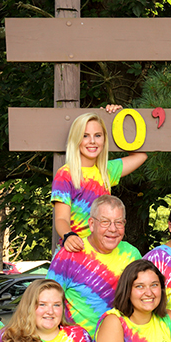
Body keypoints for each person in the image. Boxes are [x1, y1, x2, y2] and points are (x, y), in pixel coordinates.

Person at [53, 107, 147, 252]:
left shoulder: (106, 171)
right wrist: (69, 236)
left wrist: (118, 119)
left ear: (104, 139)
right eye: (85, 136)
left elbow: (141, 156)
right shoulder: (65, 174)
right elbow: (61, 219)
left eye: (98, 135)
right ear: (76, 139)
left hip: (102, 251)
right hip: (76, 251)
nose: (92, 141)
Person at [47, 195, 141, 337]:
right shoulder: (69, 254)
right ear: (91, 224)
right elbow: (47, 298)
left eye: (119, 222)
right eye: (105, 222)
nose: (113, 229)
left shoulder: (132, 255)